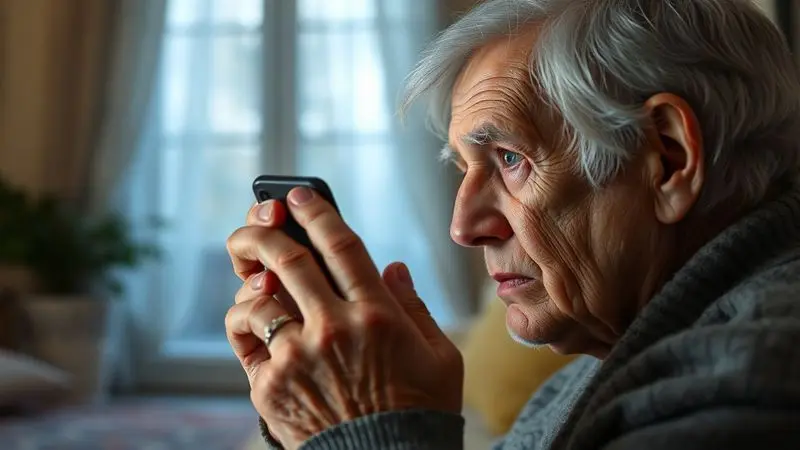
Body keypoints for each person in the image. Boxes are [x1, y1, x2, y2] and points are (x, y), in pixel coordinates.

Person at [224, 0, 800, 448]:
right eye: (464, 168)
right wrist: (317, 414)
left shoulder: (748, 383)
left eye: (509, 158)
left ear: (668, 160)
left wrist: (366, 428)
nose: (464, 227)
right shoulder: (602, 366)